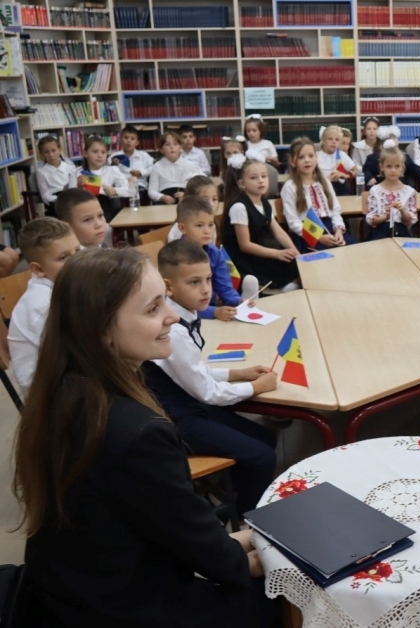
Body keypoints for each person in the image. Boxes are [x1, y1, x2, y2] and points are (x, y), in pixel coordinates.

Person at [13, 247, 277, 627]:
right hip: (122, 608)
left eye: (165, 300)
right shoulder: (138, 432)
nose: (173, 316)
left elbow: (167, 528)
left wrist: (245, 541)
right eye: (153, 308)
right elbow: (201, 548)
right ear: (102, 330)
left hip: (69, 591)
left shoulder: (62, 394)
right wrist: (262, 562)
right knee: (288, 597)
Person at [144, 238, 278, 515]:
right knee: (263, 456)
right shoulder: (174, 329)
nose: (206, 289)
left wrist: (239, 373)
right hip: (179, 421)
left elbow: (195, 370)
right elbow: (207, 392)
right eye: (194, 282)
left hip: (193, 404)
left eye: (207, 279)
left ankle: (238, 492)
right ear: (168, 286)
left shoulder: (186, 314)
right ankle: (245, 515)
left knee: (266, 438)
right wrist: (254, 387)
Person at [8, 218, 79, 392]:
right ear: (38, 269)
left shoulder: (64, 282)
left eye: (77, 251)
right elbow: (80, 352)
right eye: (63, 257)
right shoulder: (44, 307)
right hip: (52, 394)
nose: (76, 261)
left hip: (71, 374)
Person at [221, 151, 300, 291]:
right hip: (246, 259)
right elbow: (245, 245)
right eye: (254, 178)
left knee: (299, 264)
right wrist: (277, 254)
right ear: (242, 184)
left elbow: (279, 232)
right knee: (288, 267)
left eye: (264, 176)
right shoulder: (239, 207)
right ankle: (284, 291)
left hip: (262, 252)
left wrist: (295, 252)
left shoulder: (264, 202)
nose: (261, 181)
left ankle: (288, 289)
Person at [172, 196, 257, 320]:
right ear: (182, 228)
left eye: (211, 225)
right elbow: (180, 304)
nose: (207, 231)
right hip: (187, 318)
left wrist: (238, 301)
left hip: (211, 308)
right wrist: (213, 312)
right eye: (199, 225)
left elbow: (224, 287)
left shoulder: (215, 253)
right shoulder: (176, 258)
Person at [281, 137, 354, 252]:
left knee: (351, 249)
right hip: (307, 232)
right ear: (292, 161)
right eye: (301, 157)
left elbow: (335, 211)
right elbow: (293, 222)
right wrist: (319, 237)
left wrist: (338, 231)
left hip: (330, 227)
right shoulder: (290, 187)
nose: (307, 160)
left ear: (316, 158)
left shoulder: (324, 182)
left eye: (311, 156)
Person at [365, 145, 418, 240]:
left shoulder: (409, 192)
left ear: (402, 168)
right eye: (389, 166)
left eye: (397, 166)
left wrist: (402, 211)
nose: (393, 170)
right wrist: (385, 217)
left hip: (401, 233)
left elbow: (409, 221)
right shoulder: (375, 191)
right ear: (382, 167)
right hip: (379, 233)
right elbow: (371, 220)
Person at [74, 135, 129, 223]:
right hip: (85, 208)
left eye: (103, 152)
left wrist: (114, 191)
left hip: (106, 208)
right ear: (85, 153)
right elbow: (70, 197)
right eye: (95, 152)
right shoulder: (78, 172)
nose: (100, 155)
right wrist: (78, 187)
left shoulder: (112, 170)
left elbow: (129, 189)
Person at [361, 125, 420, 190]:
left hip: (401, 188)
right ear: (381, 147)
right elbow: (366, 170)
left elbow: (414, 168)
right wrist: (369, 177)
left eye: (397, 147)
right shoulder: (373, 158)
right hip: (381, 188)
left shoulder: (403, 157)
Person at [149, 131, 200, 205]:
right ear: (161, 150)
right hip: (164, 199)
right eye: (167, 144)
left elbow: (200, 186)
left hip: (185, 198)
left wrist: (187, 194)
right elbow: (151, 191)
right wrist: (162, 197)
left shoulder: (189, 165)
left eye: (175, 144)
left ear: (180, 148)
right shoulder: (157, 166)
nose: (172, 147)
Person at [168, 175, 221, 242]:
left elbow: (212, 247)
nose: (211, 204)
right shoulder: (179, 232)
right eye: (205, 200)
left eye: (214, 199)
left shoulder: (211, 224)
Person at [35, 135, 77, 215]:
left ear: (59, 150)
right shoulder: (41, 172)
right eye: (46, 152)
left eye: (53, 150)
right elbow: (45, 196)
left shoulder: (70, 167)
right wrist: (59, 199)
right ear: (41, 154)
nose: (51, 155)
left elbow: (73, 187)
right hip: (55, 203)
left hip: (71, 198)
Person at [111, 125, 154, 193]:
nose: (129, 141)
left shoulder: (144, 156)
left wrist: (141, 173)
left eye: (132, 139)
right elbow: (108, 172)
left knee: (139, 193)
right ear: (120, 140)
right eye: (126, 138)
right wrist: (113, 166)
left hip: (139, 186)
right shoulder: (114, 156)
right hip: (121, 187)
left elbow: (153, 168)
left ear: (137, 142)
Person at [317, 125, 356, 196]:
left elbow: (355, 170)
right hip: (322, 187)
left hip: (340, 188)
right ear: (323, 140)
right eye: (330, 139)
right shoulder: (316, 156)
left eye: (337, 140)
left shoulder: (342, 155)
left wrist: (344, 175)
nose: (334, 142)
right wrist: (325, 180)